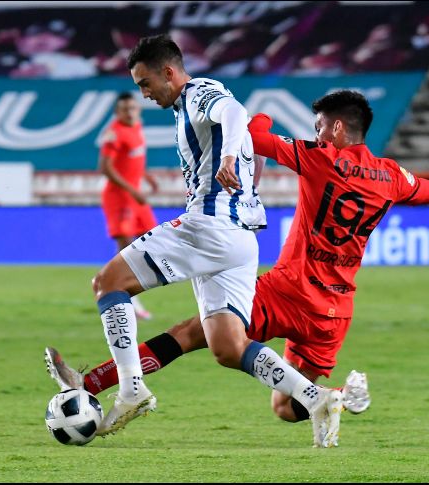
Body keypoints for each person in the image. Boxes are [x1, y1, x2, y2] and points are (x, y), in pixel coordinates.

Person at [46, 89, 429, 444]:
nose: (318, 133)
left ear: (341, 131)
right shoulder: (391, 175)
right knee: (284, 408)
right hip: (336, 311)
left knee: (195, 333)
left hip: (291, 290)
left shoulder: (321, 158)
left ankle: (92, 382)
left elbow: (255, 135)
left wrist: (255, 115)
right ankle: (342, 399)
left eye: (323, 126)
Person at [61, 33, 343, 447]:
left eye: (145, 83)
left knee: (108, 283)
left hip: (209, 225)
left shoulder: (200, 93)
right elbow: (251, 144)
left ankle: (130, 389)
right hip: (241, 241)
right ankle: (316, 398)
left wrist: (228, 158)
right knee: (228, 346)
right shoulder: (185, 109)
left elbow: (234, 111)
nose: (144, 94)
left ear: (169, 72)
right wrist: (243, 174)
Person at [98, 92, 159, 321]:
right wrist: (133, 190)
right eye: (124, 109)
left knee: (148, 240)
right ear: (117, 112)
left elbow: (132, 160)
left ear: (138, 109)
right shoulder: (114, 133)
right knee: (126, 248)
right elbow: (105, 167)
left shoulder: (137, 128)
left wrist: (146, 176)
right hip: (119, 197)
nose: (130, 112)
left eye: (132, 108)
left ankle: (117, 284)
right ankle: (125, 296)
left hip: (135, 195)